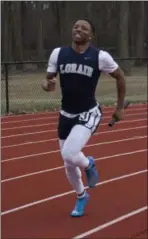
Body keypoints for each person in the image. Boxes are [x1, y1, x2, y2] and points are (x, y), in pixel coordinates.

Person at [42, 19, 126, 217]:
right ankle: (81, 196)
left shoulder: (100, 57)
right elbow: (49, 81)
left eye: (84, 28)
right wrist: (47, 85)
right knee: (68, 163)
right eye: (76, 26)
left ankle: (89, 164)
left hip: (88, 113)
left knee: (70, 154)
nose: (78, 29)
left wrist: (120, 108)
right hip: (65, 114)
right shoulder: (58, 53)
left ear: (91, 36)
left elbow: (120, 76)